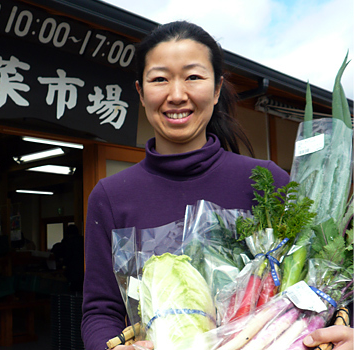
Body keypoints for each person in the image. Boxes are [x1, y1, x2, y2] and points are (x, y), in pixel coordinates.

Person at [80, 20, 353, 350]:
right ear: (140, 91)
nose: (177, 94)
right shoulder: (111, 196)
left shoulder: (268, 183)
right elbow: (100, 311)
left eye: (193, 77)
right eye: (160, 79)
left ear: (217, 88)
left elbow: (325, 288)